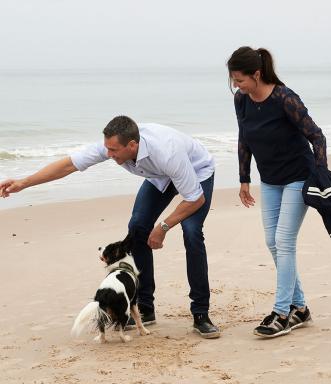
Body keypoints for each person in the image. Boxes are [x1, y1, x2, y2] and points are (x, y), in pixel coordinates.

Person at [0, 115, 220, 339]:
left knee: (191, 232)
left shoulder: (167, 151)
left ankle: (200, 313)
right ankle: (145, 307)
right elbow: (68, 165)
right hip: (160, 176)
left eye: (114, 150)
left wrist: (162, 227)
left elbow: (195, 198)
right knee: (137, 227)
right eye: (107, 149)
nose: (108, 154)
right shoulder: (112, 145)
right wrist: (23, 183)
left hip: (196, 172)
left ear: (132, 145)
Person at [227, 47, 328, 338]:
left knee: (284, 241)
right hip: (270, 179)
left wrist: (321, 176)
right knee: (273, 242)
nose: (236, 85)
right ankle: (301, 309)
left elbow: (317, 136)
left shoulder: (285, 98)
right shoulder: (241, 100)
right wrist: (244, 177)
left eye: (240, 79)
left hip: (299, 177)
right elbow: (244, 136)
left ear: (256, 74)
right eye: (233, 80)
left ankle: (281, 313)